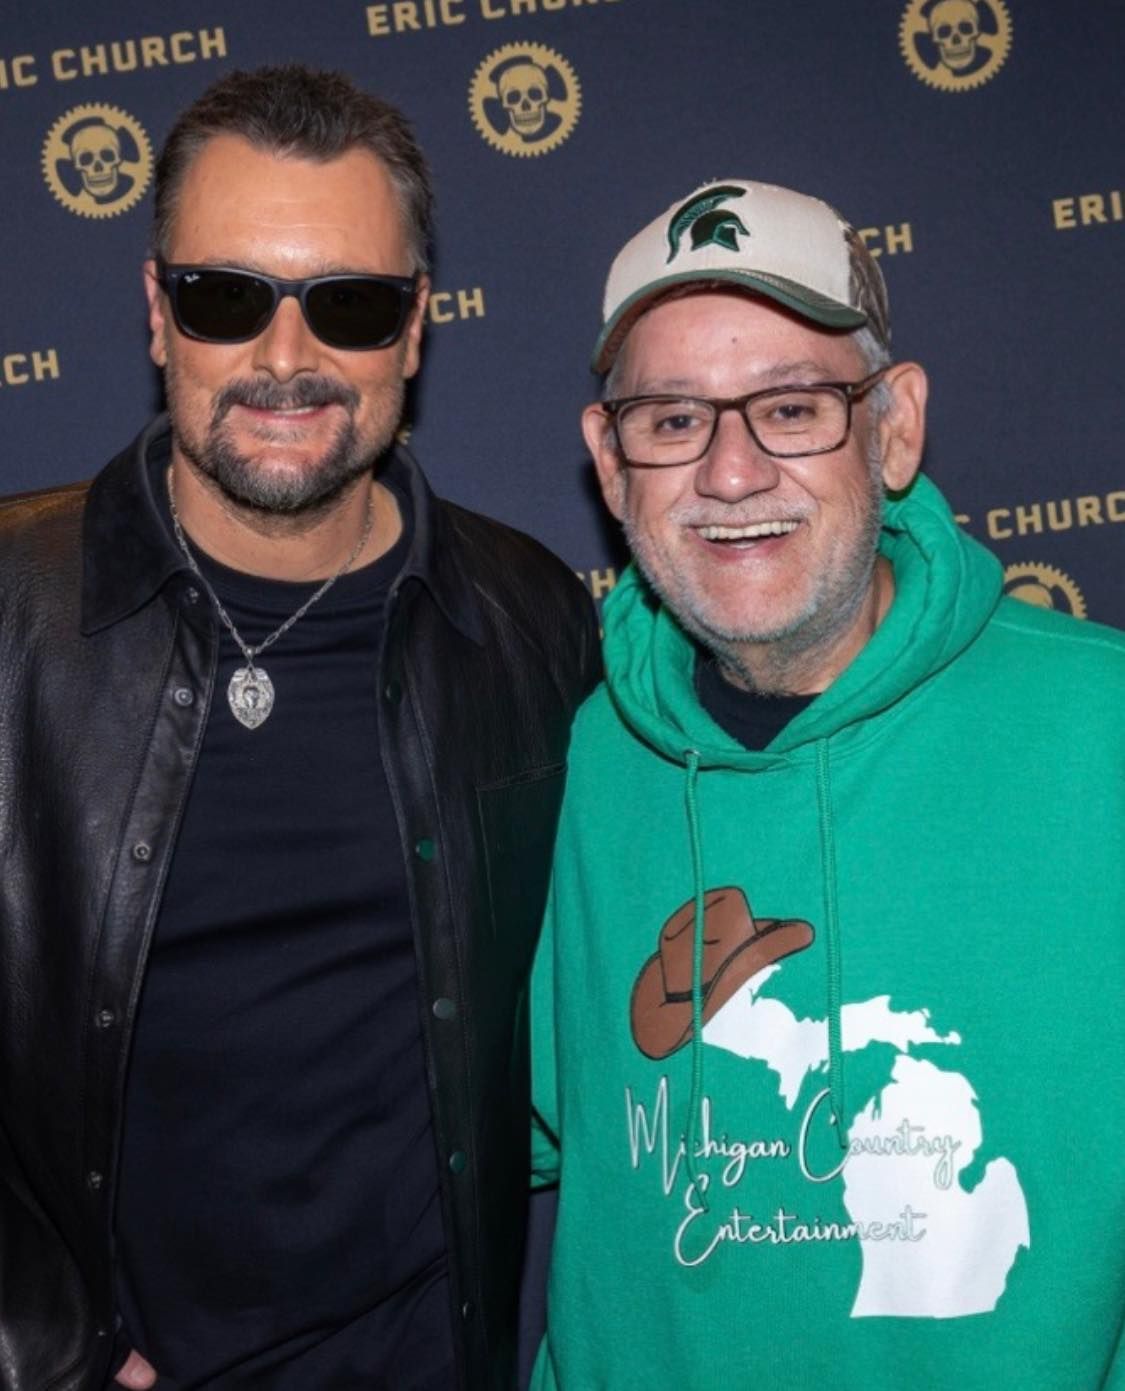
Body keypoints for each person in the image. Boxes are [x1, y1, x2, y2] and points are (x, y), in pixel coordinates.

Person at [0, 65, 598, 1391]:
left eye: (349, 304)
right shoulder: (12, 617)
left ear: (415, 328)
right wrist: (31, 1344)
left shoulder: (528, 620)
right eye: (226, 297)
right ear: (158, 314)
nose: (285, 359)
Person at [530, 178, 1125, 1389]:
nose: (731, 472)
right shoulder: (578, 757)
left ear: (893, 429)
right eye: (672, 419)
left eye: (792, 408)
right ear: (610, 459)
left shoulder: (1099, 729)